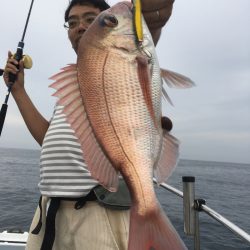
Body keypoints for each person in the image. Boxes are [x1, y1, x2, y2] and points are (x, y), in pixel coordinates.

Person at [3, 0, 175, 249]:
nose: (80, 26)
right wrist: (18, 90)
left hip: (98, 213)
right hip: (49, 212)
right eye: (72, 23)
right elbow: (50, 140)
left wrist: (150, 11)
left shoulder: (128, 59)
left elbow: (154, 16)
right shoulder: (74, 82)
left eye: (91, 18)